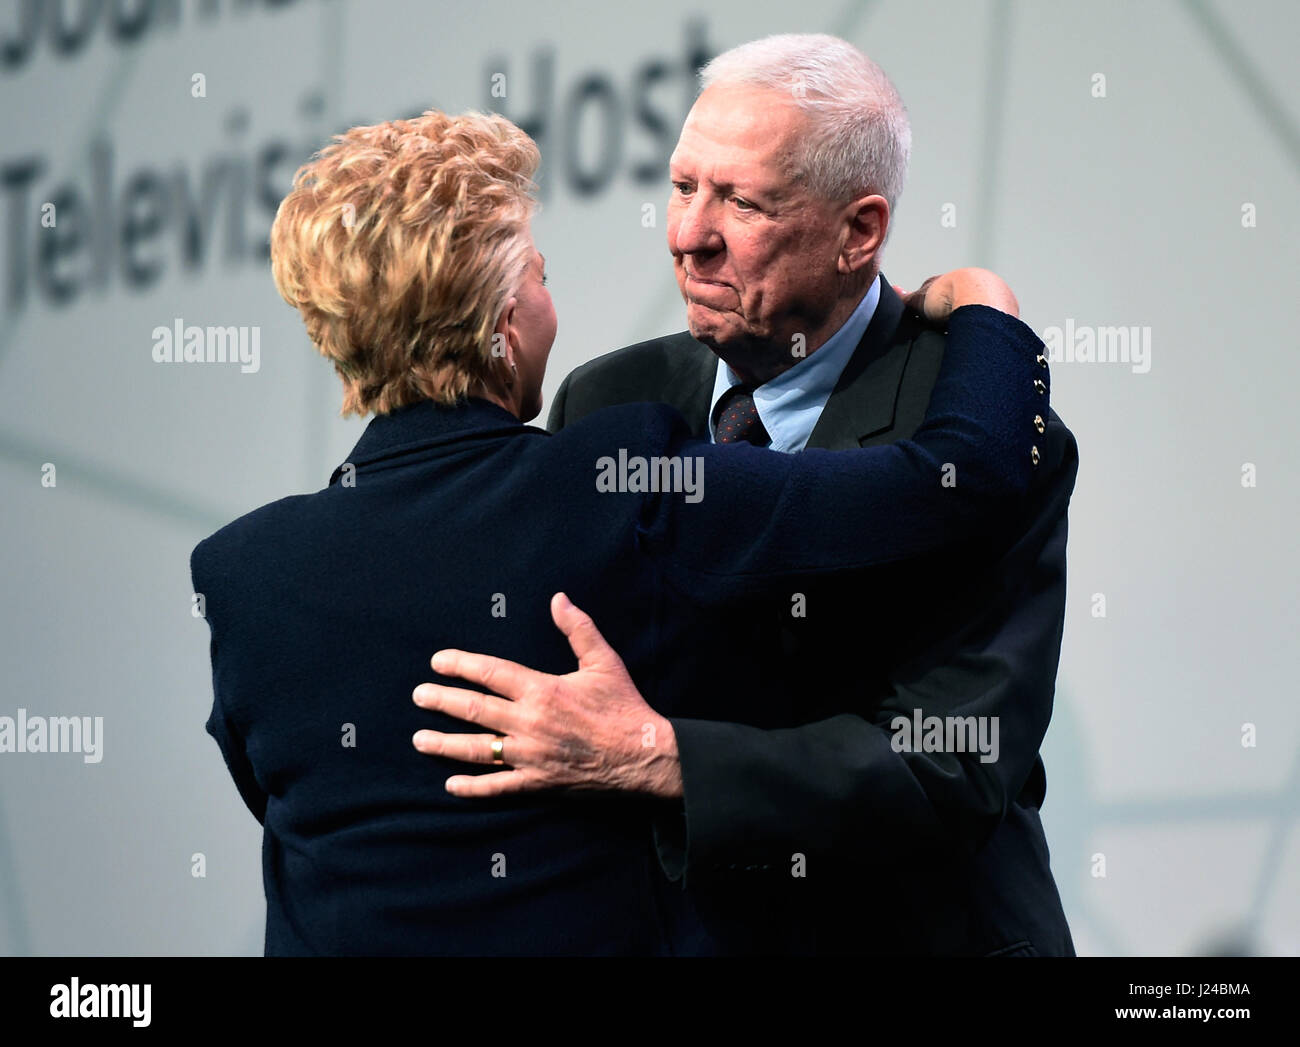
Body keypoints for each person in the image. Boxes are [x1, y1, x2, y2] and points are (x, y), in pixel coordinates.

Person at [192, 103, 1048, 955]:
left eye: (738, 200)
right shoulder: (617, 476)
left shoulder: (241, 573)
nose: (690, 234)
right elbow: (966, 477)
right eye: (538, 273)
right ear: (500, 324)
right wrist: (988, 308)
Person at [412, 33, 1079, 955]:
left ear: (860, 232)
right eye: (684, 187)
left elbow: (949, 767)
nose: (690, 235)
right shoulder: (607, 400)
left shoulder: (987, 431)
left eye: (744, 202)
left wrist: (662, 759)